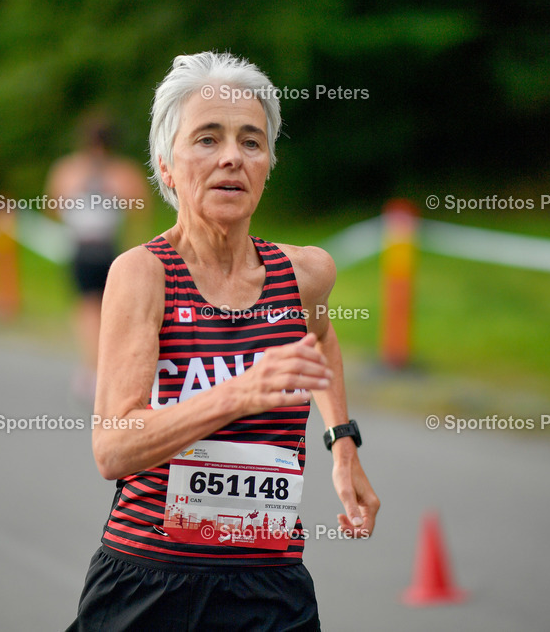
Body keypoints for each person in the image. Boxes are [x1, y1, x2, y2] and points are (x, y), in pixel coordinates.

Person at [67, 52, 380, 631]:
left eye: (251, 142)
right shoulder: (144, 275)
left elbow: (322, 338)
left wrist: (342, 442)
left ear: (268, 166)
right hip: (151, 583)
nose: (232, 156)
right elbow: (112, 448)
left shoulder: (304, 274)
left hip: (272, 586)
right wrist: (238, 394)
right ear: (166, 165)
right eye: (207, 139)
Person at [44, 113, 150, 400]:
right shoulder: (74, 170)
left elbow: (138, 206)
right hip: (87, 247)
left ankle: (99, 369)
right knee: (89, 310)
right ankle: (94, 368)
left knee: (102, 311)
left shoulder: (114, 172)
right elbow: (54, 203)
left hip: (103, 247)